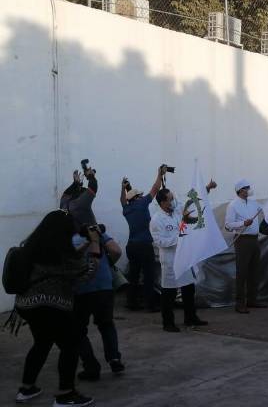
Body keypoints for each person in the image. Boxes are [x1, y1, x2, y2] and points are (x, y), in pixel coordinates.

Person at [14, 210, 100, 407]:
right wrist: (94, 243)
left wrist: (84, 242)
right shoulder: (59, 254)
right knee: (70, 346)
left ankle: (27, 389)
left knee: (42, 343)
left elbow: (67, 263)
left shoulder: (32, 247)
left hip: (26, 305)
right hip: (51, 306)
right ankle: (65, 395)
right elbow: (87, 272)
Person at [150, 183, 214, 333]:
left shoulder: (178, 211)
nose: (174, 201)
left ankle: (190, 317)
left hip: (184, 258)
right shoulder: (156, 220)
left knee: (188, 289)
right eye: (170, 199)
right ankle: (168, 323)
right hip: (170, 260)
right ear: (162, 202)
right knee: (169, 294)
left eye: (173, 198)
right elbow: (159, 241)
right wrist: (179, 239)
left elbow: (192, 202)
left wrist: (206, 189)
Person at [73, 231, 125, 381]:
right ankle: (114, 358)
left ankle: (91, 367)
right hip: (104, 286)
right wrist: (106, 265)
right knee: (106, 324)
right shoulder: (97, 232)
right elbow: (116, 251)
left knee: (78, 330)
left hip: (80, 289)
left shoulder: (66, 236)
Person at [121, 166, 165, 311]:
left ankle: (131, 302)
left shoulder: (126, 209)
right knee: (148, 275)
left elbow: (123, 201)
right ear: (138, 197)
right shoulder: (142, 203)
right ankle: (150, 304)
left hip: (131, 246)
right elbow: (155, 188)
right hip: (144, 245)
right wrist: (159, 174)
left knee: (134, 275)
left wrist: (123, 188)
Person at [224, 179, 268, 313]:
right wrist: (243, 223)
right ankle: (240, 304)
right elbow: (228, 225)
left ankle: (252, 300)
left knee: (254, 270)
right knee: (242, 272)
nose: (249, 190)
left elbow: (265, 208)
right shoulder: (233, 205)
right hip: (242, 240)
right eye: (247, 188)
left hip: (254, 239)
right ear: (241, 190)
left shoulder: (253, 203)